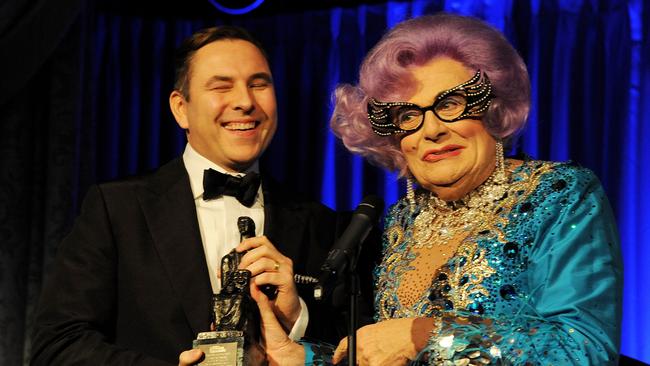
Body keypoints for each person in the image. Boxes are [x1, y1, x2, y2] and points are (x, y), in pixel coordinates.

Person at [256, 13, 623, 365]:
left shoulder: (557, 194)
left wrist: (425, 335)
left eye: (450, 103)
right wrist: (300, 357)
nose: (432, 130)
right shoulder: (403, 220)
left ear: (492, 108)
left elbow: (582, 348)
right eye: (409, 116)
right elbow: (380, 354)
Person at [31, 26, 378, 365]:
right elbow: (58, 345)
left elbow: (359, 350)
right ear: (181, 108)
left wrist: (297, 317)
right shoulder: (117, 208)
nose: (245, 102)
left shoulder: (322, 223)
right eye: (221, 87)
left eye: (259, 84)